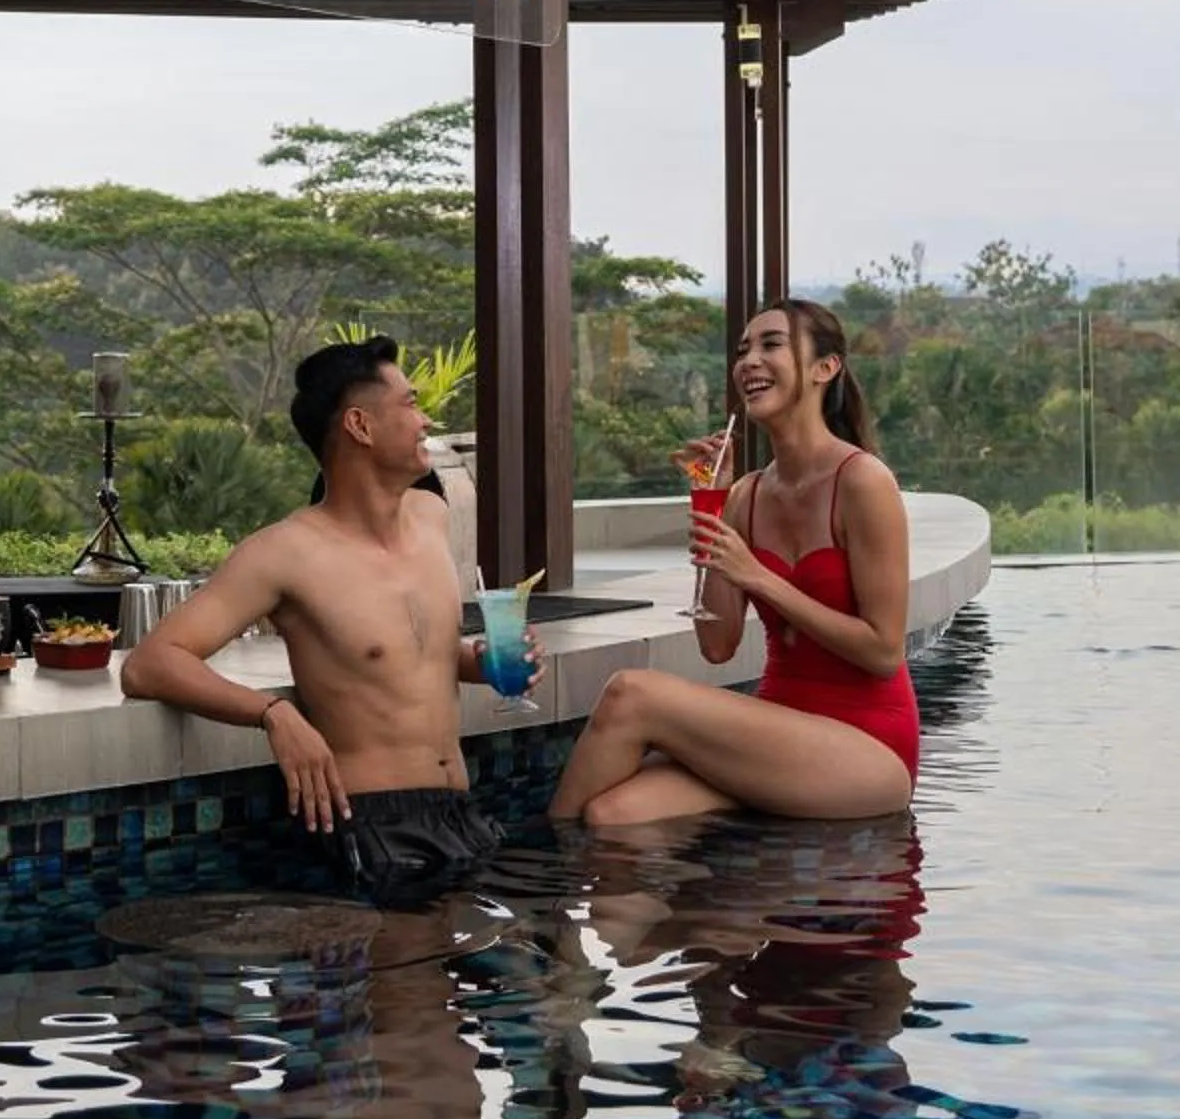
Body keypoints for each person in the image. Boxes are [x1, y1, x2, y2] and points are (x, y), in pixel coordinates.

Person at [121, 335, 542, 907]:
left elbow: (412, 655)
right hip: (374, 826)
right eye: (410, 404)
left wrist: (483, 662)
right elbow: (149, 664)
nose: (425, 421)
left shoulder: (431, 516)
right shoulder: (284, 553)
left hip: (460, 813)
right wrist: (273, 714)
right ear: (360, 426)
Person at [549, 300, 916, 825]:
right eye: (743, 350)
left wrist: (760, 578)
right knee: (615, 814)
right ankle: (586, 861)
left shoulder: (862, 481)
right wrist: (711, 504)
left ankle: (540, 872)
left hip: (868, 745)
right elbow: (717, 645)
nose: (749, 361)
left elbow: (883, 651)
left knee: (632, 693)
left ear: (825, 368)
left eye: (771, 344)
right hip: (775, 730)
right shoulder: (747, 494)